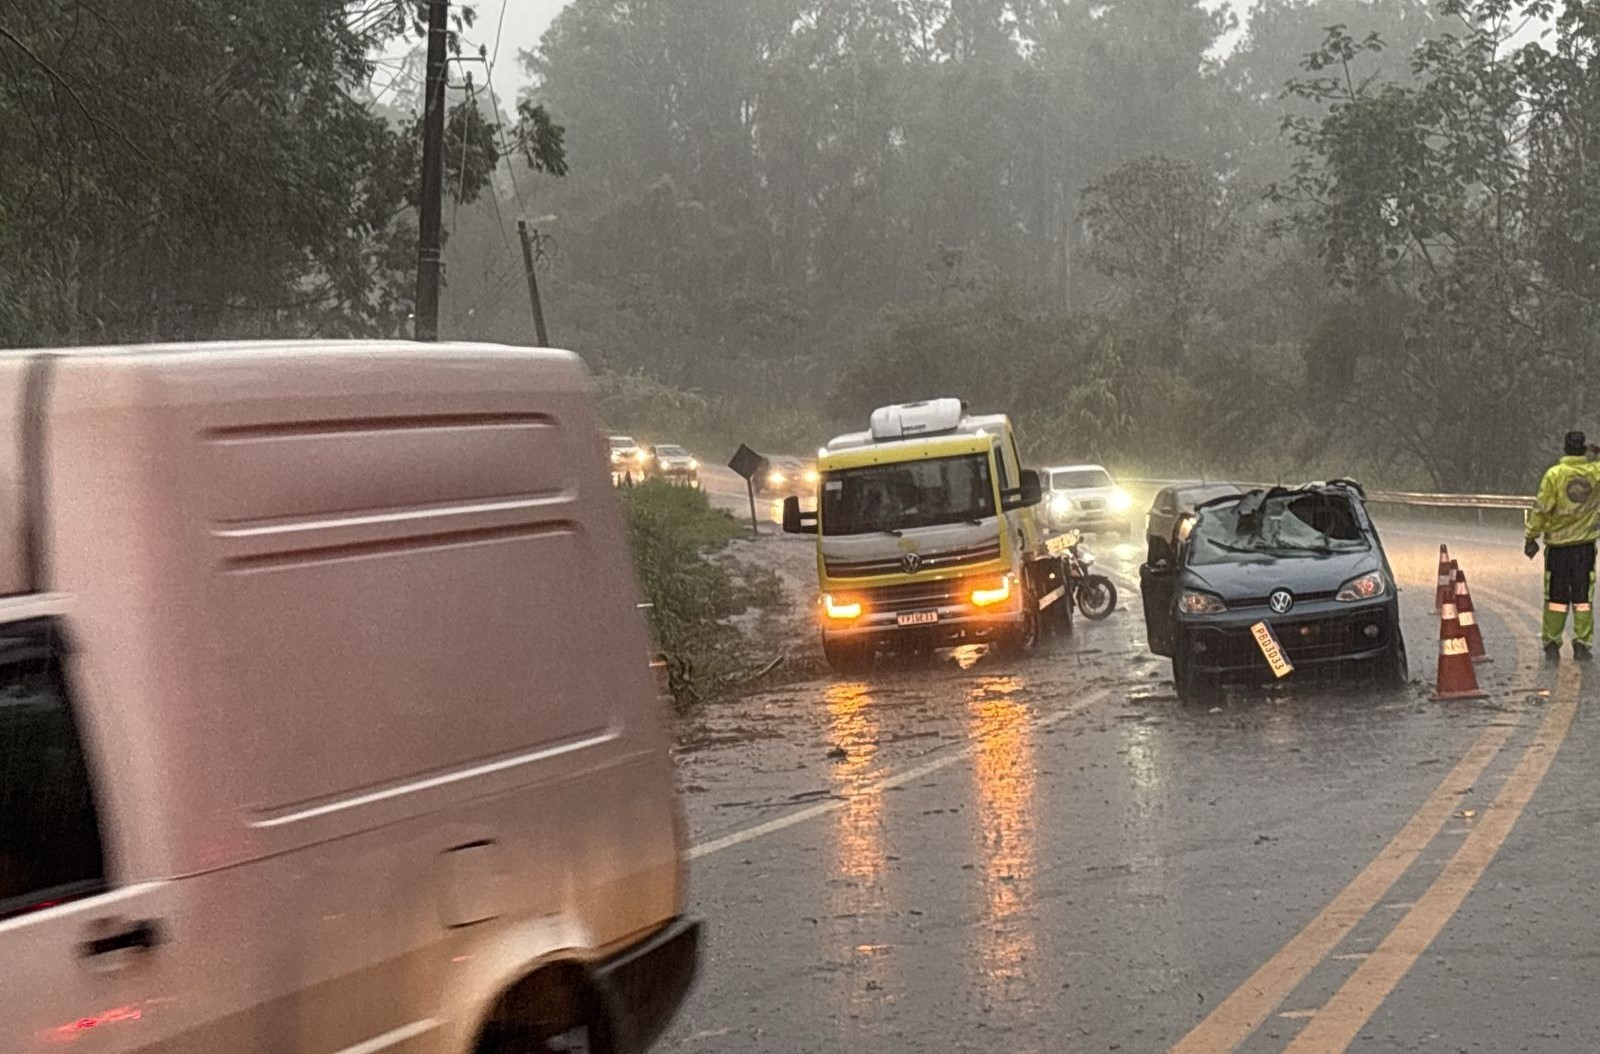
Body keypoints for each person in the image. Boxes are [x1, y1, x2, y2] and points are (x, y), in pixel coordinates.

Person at [1524, 431, 1600, 660]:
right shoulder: (1595, 473)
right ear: (1584, 449)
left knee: (1555, 596)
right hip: (1584, 548)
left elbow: (1542, 508)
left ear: (1565, 449)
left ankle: (1551, 642)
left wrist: (1531, 535)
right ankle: (1582, 643)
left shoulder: (1554, 475)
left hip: (1558, 548)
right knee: (1583, 598)